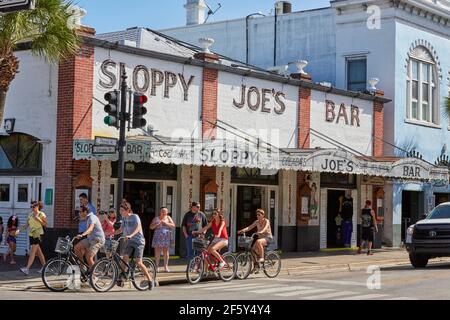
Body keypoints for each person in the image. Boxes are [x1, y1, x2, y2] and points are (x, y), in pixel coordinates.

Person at [117, 199, 155, 290]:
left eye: (122, 210)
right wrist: (109, 234)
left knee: (138, 262)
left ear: (127, 210)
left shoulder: (135, 217)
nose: (120, 212)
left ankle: (150, 280)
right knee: (124, 259)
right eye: (120, 210)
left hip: (139, 242)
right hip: (130, 241)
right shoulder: (124, 218)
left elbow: (138, 228)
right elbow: (120, 230)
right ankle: (123, 277)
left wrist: (130, 235)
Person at [18, 201, 47, 275]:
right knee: (38, 252)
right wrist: (19, 230)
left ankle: (27, 268)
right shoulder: (30, 215)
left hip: (38, 234)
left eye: (33, 206)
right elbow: (26, 225)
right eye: (31, 207)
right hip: (32, 234)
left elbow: (46, 224)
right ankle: (45, 267)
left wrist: (39, 219)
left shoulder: (41, 214)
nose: (32, 208)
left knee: (33, 251)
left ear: (37, 206)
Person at [150, 207, 175, 273]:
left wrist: (166, 223)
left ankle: (165, 266)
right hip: (158, 236)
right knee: (157, 251)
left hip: (166, 236)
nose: (163, 213)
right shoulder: (156, 218)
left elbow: (173, 225)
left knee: (166, 251)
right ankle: (157, 266)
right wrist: (157, 224)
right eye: (162, 211)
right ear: (160, 212)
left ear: (167, 212)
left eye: (165, 211)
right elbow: (151, 227)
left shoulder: (168, 218)